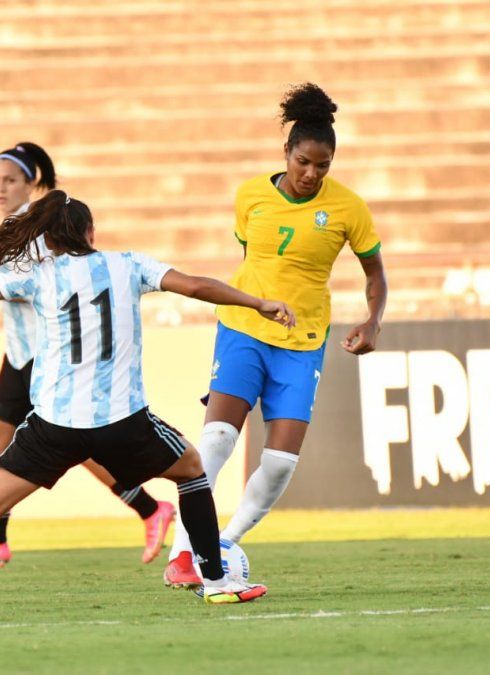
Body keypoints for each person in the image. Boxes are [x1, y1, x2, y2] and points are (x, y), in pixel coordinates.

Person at [0, 189, 295, 611]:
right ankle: (216, 582)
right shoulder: (129, 264)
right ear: (90, 233)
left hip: (54, 426)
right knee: (192, 469)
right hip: (122, 422)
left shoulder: (38, 275)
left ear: (50, 240)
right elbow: (196, 286)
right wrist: (257, 302)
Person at [164, 83, 388, 588]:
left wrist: (372, 322)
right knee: (218, 439)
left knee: (281, 462)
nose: (312, 174)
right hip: (243, 327)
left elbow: (375, 274)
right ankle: (182, 555)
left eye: (323, 165)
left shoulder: (350, 209)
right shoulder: (250, 196)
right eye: (304, 161)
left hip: (304, 341)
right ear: (286, 153)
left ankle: (222, 545)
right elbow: (254, 259)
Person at [0, 142, 174, 568]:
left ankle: (150, 509)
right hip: (18, 351)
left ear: (31, 184)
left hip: (48, 351)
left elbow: (49, 284)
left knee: (75, 442)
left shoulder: (40, 229)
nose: (0, 189)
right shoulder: (15, 227)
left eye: (9, 181)